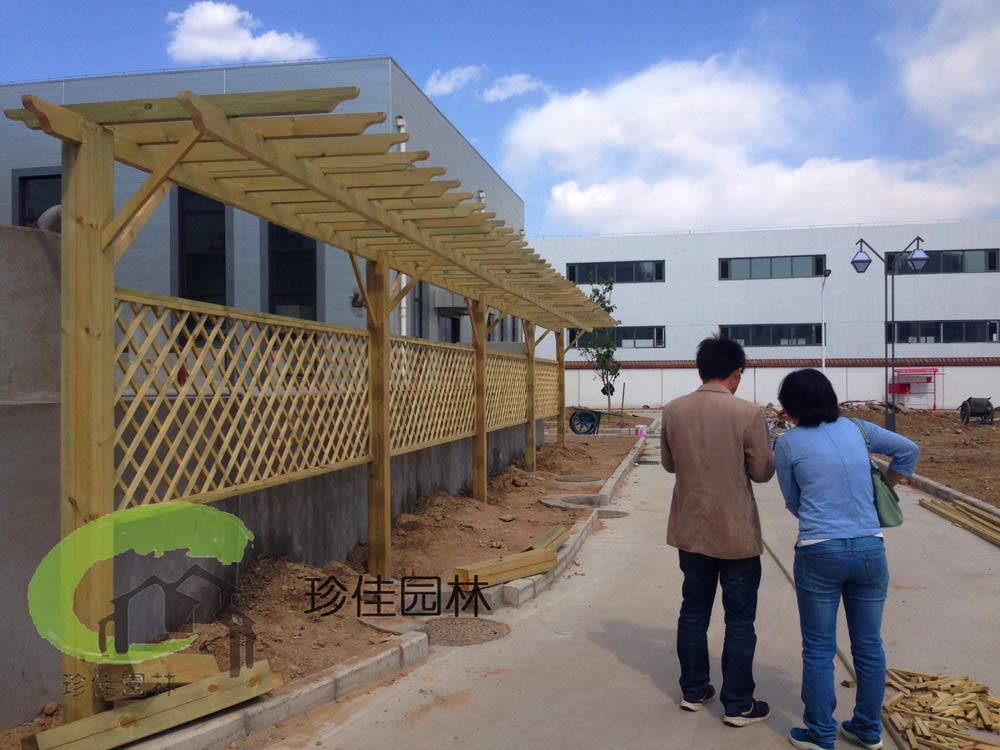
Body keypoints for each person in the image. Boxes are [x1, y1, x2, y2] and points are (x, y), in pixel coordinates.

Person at [773, 369, 919, 750]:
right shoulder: (859, 429)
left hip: (819, 550)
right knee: (869, 645)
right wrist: (884, 485)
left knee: (819, 648)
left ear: (792, 406)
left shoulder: (787, 444)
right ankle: (868, 729)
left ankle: (821, 734)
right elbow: (909, 450)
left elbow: (793, 500)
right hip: (870, 549)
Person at [660, 336, 775, 726]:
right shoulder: (748, 413)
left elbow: (669, 465)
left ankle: (694, 691)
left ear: (700, 369)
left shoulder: (674, 410)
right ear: (737, 372)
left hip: (691, 531)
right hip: (736, 535)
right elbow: (761, 472)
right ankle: (738, 703)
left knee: (693, 611)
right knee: (739, 619)